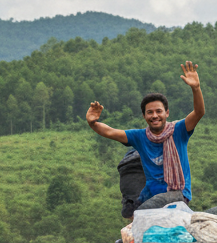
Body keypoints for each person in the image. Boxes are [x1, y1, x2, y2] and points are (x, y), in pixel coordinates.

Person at [86, 62, 205, 209]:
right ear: (144, 116)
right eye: (150, 112)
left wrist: (196, 88)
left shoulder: (179, 130)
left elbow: (199, 113)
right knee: (130, 212)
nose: (155, 116)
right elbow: (111, 132)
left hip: (177, 192)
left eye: (159, 111)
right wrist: (93, 123)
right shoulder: (140, 137)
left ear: (166, 113)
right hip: (151, 193)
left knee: (144, 211)